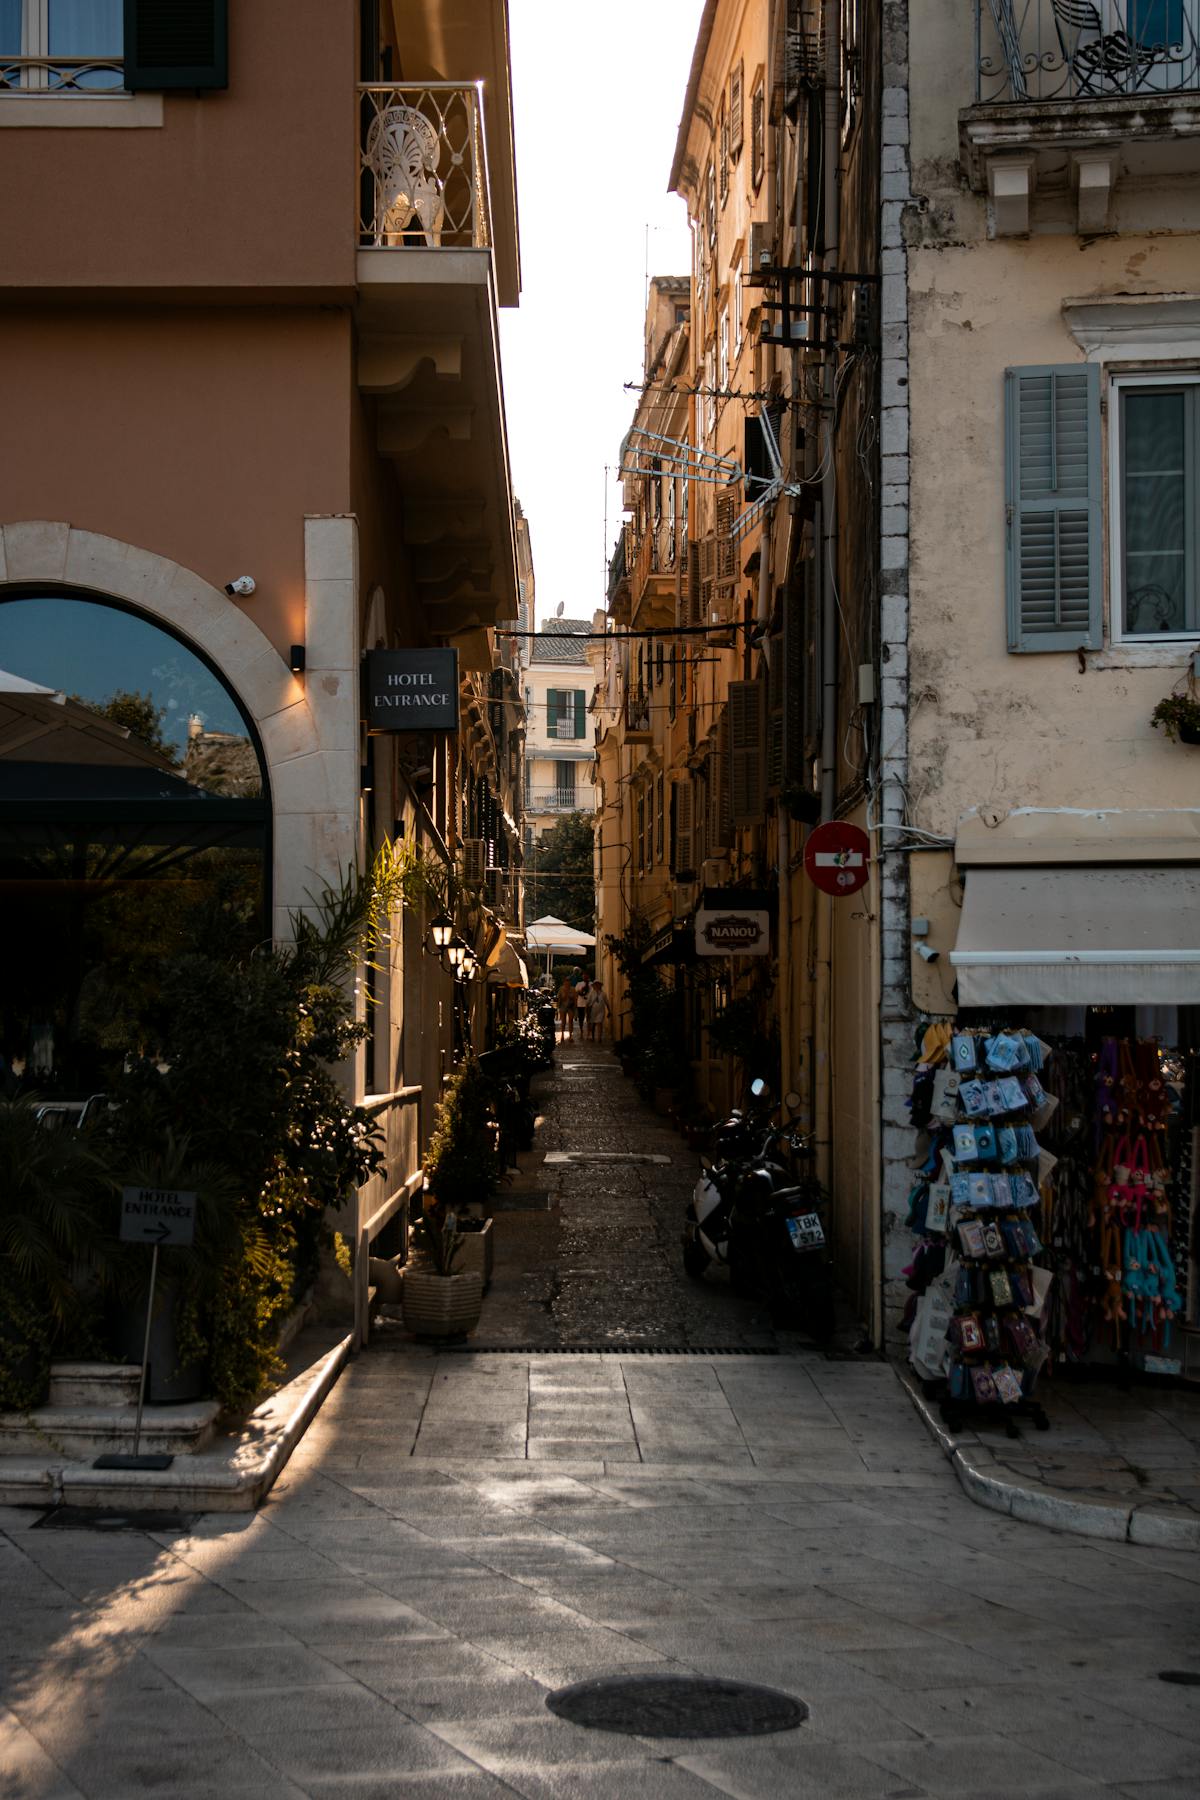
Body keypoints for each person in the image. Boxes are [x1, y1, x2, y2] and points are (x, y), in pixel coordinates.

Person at [557, 973, 577, 1043]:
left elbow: (575, 998)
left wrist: (575, 1007)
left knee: (571, 1021)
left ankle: (570, 1036)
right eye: (566, 981)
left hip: (570, 1007)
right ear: (564, 982)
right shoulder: (561, 989)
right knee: (563, 1022)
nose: (567, 983)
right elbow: (559, 999)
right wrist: (558, 1008)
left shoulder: (573, 989)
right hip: (563, 1007)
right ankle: (562, 1035)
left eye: (568, 981)